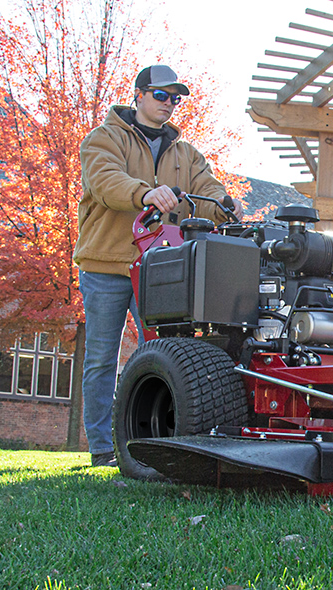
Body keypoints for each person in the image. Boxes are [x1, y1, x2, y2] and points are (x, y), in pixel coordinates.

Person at [76, 65, 236, 466]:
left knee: (164, 356)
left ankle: (157, 443)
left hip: (161, 269)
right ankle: (101, 448)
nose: (169, 104)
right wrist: (146, 193)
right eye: (161, 95)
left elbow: (209, 190)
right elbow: (105, 182)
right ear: (139, 95)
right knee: (101, 358)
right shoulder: (104, 138)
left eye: (175, 98)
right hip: (107, 265)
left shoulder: (186, 154)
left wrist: (224, 204)